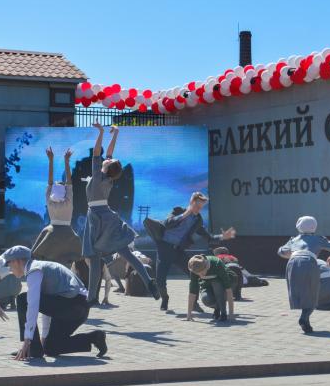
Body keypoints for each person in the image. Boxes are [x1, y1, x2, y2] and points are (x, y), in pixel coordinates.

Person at [82, 123, 159, 304]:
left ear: (107, 167)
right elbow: (108, 154)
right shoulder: (107, 177)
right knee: (126, 253)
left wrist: (101, 132)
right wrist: (115, 133)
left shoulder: (98, 174)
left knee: (94, 258)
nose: (107, 158)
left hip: (96, 217)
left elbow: (97, 152)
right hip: (108, 217)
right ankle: (149, 282)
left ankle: (91, 298)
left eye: (108, 161)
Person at [3, 245, 107, 360]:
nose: (9, 269)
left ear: (17, 261)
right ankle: (95, 337)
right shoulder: (40, 267)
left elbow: (33, 306)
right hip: (76, 308)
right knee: (51, 348)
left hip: (72, 306)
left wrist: (27, 341)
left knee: (23, 299)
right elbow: (47, 306)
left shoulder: (34, 270)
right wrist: (44, 339)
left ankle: (33, 348)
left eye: (8, 264)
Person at [146, 193, 236, 310]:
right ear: (191, 202)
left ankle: (194, 303)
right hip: (164, 249)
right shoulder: (178, 211)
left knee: (195, 273)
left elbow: (208, 237)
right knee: (160, 281)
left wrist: (222, 237)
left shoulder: (197, 220)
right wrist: (184, 215)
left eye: (201, 207)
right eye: (197, 206)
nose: (198, 209)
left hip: (178, 251)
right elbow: (167, 224)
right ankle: (165, 298)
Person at [277, 216, 330, 333]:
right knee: (313, 292)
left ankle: (305, 319)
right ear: (315, 227)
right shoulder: (318, 239)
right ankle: (304, 317)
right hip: (309, 262)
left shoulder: (293, 239)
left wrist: (292, 254)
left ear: (298, 226)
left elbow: (281, 251)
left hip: (292, 263)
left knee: (297, 291)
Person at [32, 148, 82, 267]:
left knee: (47, 260)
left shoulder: (50, 201)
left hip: (51, 232)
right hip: (67, 233)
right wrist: (66, 161)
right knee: (67, 262)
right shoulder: (68, 201)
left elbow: (50, 181)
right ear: (64, 191)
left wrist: (51, 160)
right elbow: (69, 181)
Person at [187, 254, 235, 322]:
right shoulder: (194, 267)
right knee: (205, 299)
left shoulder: (217, 264)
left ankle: (223, 312)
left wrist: (231, 314)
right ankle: (217, 307)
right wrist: (189, 315)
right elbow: (192, 293)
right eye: (198, 274)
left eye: (202, 272)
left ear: (206, 267)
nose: (200, 275)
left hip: (223, 283)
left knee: (216, 283)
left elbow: (229, 290)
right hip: (206, 284)